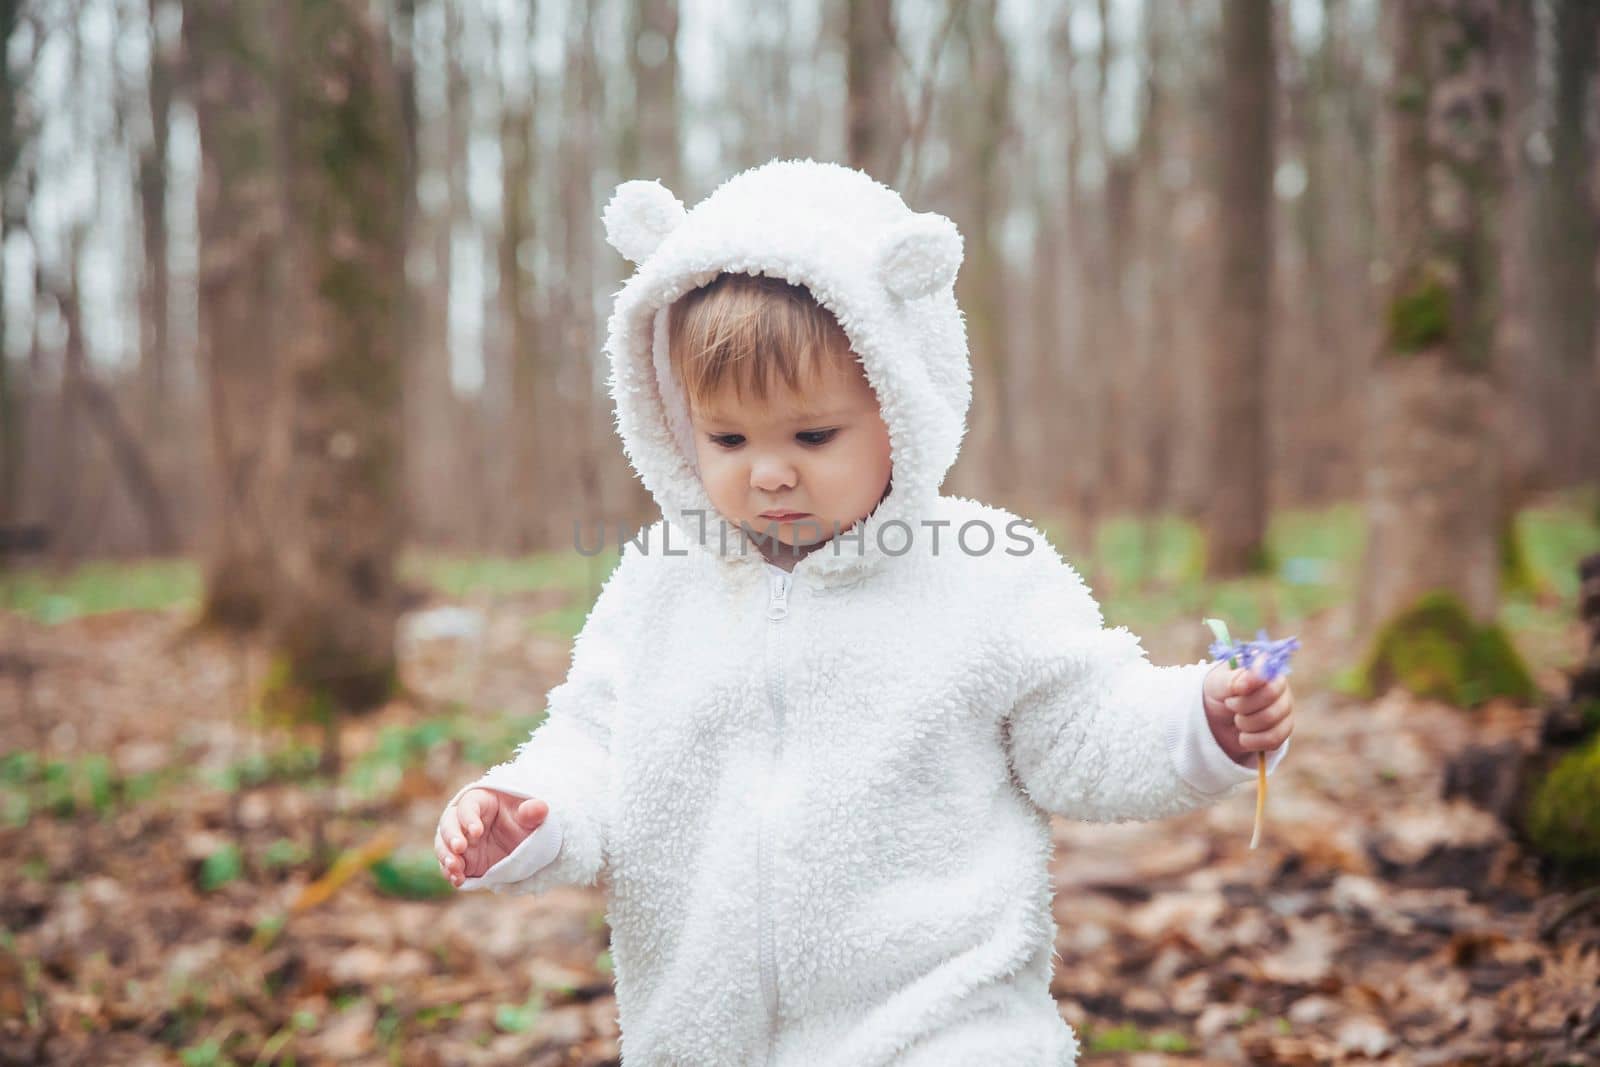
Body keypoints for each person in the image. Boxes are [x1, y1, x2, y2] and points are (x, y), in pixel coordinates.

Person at [434, 158, 1294, 1066]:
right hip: (703, 1031)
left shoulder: (985, 576)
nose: (768, 471)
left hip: (944, 1022)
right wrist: (527, 811)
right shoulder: (658, 586)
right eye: (727, 437)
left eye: (813, 435)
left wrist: (1201, 719)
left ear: (901, 399)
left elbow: (1080, 726)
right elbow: (594, 747)